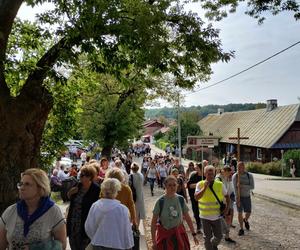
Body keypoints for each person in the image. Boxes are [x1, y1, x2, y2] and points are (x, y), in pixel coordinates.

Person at [0, 168, 66, 249]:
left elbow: (62, 245)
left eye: (27, 184)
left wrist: (35, 248)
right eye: (21, 184)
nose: (22, 188)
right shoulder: (10, 211)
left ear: (40, 188)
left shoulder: (53, 211)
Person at [151, 175, 199, 250]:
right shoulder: (160, 202)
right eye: (169, 185)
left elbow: (187, 218)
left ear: (177, 186)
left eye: (174, 185)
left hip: (179, 234)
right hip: (165, 237)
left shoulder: (180, 199)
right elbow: (153, 223)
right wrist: (154, 241)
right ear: (165, 186)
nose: (172, 187)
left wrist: (194, 234)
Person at [85, 178, 134, 250]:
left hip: (98, 243)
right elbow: (126, 231)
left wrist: (96, 237)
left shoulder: (95, 206)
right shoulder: (122, 209)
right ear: (116, 191)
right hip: (117, 245)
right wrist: (129, 246)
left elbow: (89, 226)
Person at [194, 165, 229, 250]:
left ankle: (213, 245)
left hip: (217, 216)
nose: (210, 176)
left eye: (212, 174)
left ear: (214, 174)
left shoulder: (220, 184)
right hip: (204, 216)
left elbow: (227, 197)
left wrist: (226, 209)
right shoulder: (200, 184)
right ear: (204, 174)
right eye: (208, 174)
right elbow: (196, 197)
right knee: (207, 238)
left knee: (219, 236)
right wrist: (205, 188)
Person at [66, 166, 100, 250]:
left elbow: (97, 208)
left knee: (84, 247)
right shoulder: (78, 185)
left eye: (83, 175)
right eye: (80, 175)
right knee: (73, 245)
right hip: (73, 222)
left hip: (86, 224)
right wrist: (70, 193)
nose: (80, 177)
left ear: (90, 177)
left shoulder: (96, 189)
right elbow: (69, 198)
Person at [232, 161, 255, 236]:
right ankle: (241, 228)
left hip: (247, 196)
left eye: (240, 167)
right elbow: (235, 189)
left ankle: (245, 220)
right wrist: (237, 199)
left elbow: (252, 187)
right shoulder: (235, 176)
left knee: (248, 212)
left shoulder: (249, 175)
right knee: (239, 213)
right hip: (239, 197)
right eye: (238, 167)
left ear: (244, 167)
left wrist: (242, 186)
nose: (239, 169)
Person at [215, 166, 236, 244]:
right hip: (220, 204)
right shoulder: (218, 179)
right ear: (224, 171)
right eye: (229, 173)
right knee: (220, 220)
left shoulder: (227, 178)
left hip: (226, 202)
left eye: (230, 173)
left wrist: (230, 181)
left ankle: (227, 236)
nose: (230, 174)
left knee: (228, 218)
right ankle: (218, 236)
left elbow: (230, 190)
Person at [187, 163, 204, 234]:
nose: (195, 169)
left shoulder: (205, 176)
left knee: (203, 212)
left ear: (201, 168)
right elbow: (189, 185)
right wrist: (199, 184)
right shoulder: (193, 175)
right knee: (196, 212)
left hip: (204, 198)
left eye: (196, 167)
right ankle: (198, 227)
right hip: (195, 197)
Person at [130, 162, 146, 228]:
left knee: (134, 211)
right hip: (140, 195)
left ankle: (133, 226)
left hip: (133, 195)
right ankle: (137, 227)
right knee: (138, 213)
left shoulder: (131, 176)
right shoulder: (141, 175)